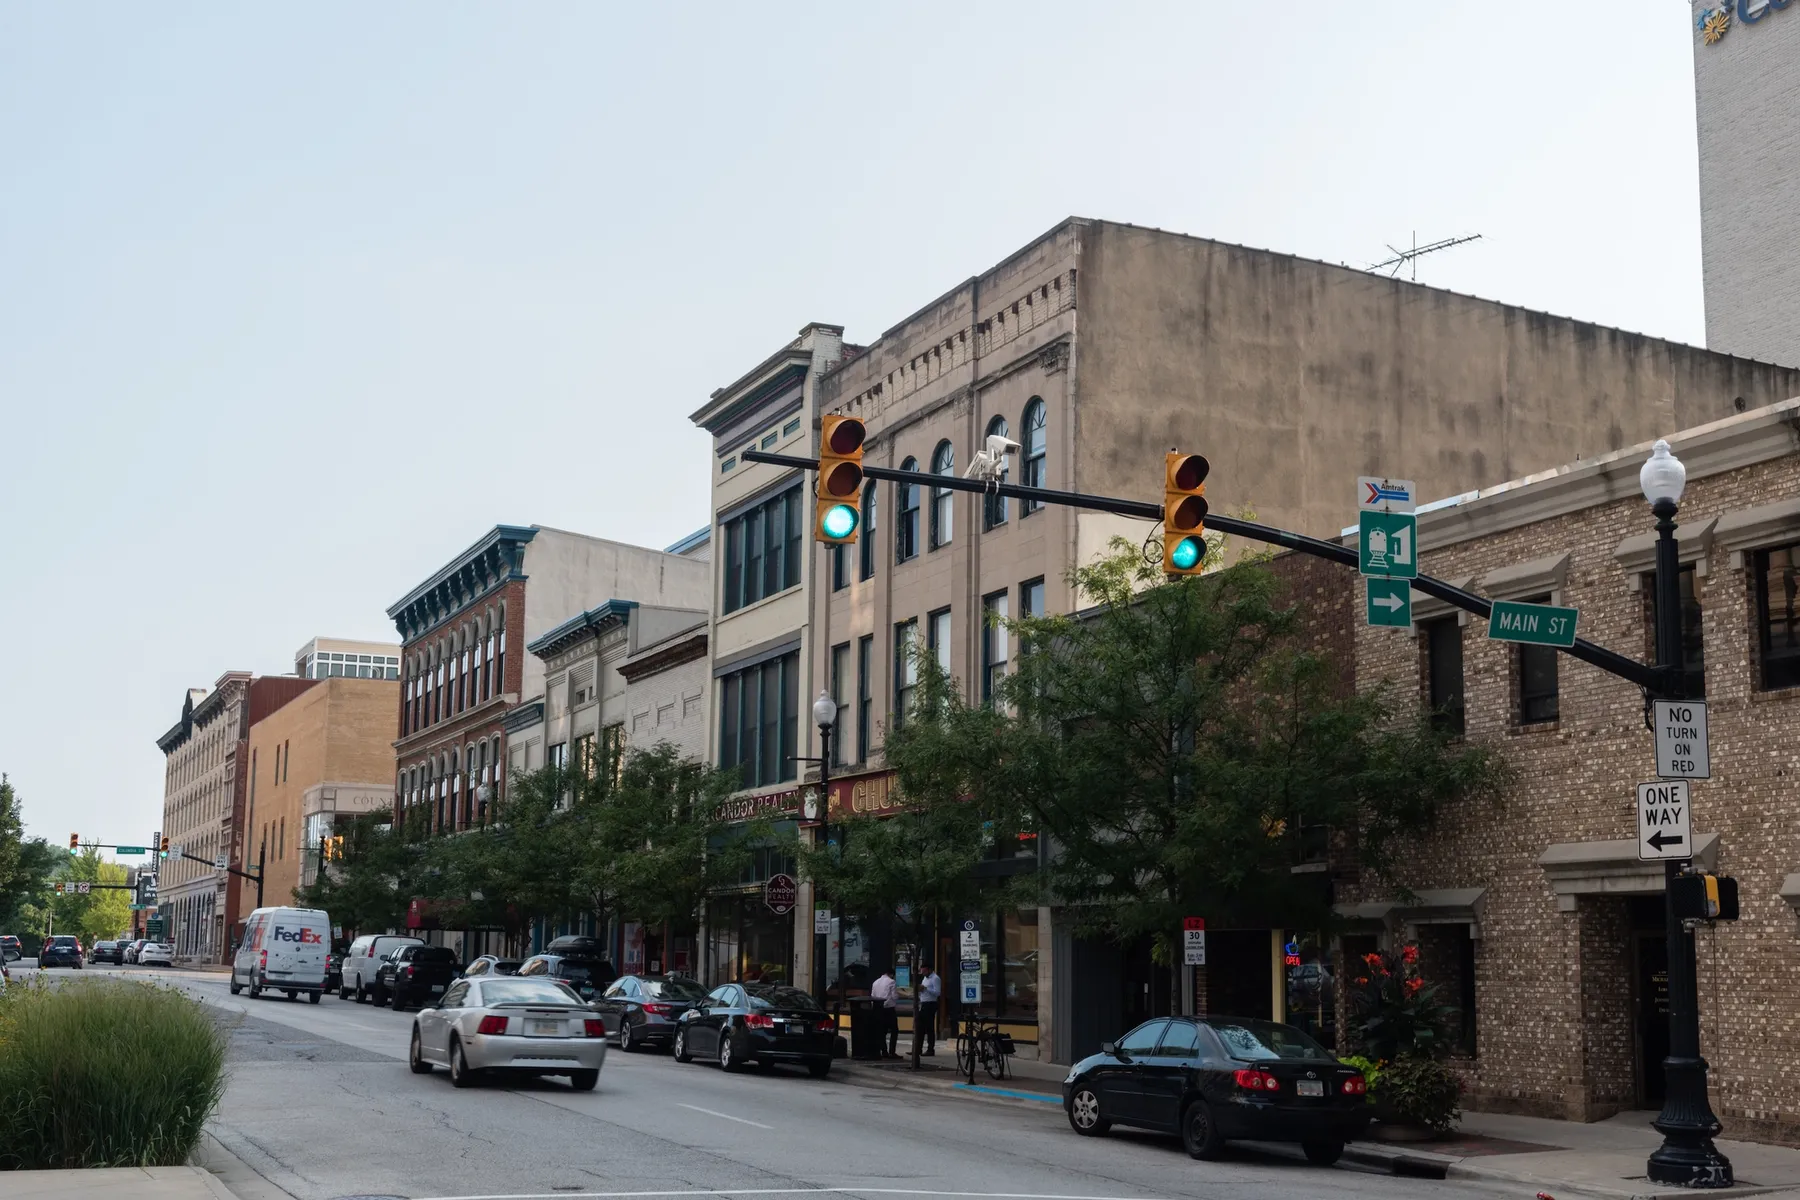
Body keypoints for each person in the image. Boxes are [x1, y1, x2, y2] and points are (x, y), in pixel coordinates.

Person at [871, 967, 899, 1057]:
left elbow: (873, 996)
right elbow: (894, 996)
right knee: (894, 1030)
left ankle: (884, 1051)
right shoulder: (891, 982)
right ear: (892, 974)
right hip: (889, 1009)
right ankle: (892, 1051)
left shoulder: (875, 982)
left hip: (878, 1009)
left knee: (881, 1031)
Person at [917, 964, 942, 1056]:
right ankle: (918, 1049)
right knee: (920, 1028)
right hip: (923, 1003)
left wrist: (926, 989)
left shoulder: (935, 978)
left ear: (930, 970)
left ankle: (930, 1049)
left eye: (924, 971)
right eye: (922, 971)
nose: (923, 973)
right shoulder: (925, 978)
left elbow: (937, 993)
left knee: (929, 1028)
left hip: (930, 1004)